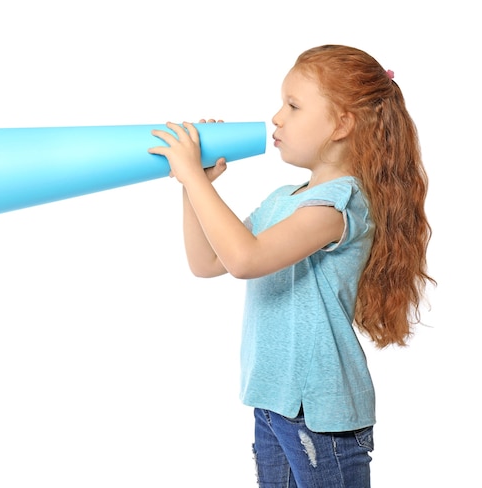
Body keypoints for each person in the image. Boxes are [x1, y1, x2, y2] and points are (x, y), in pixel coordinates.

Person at [148, 44, 434, 488]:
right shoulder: (286, 199)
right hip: (272, 402)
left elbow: (246, 260)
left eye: (293, 105)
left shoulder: (340, 203)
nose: (277, 117)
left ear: (342, 123)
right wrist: (196, 186)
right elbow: (207, 262)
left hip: (319, 415)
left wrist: (190, 176)